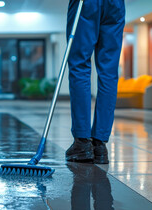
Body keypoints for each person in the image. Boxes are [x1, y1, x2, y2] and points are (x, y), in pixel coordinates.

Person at [65, 0, 125, 164]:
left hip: (86, 3)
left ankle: (82, 142)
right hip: (115, 5)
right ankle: (99, 144)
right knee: (109, 71)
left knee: (79, 65)